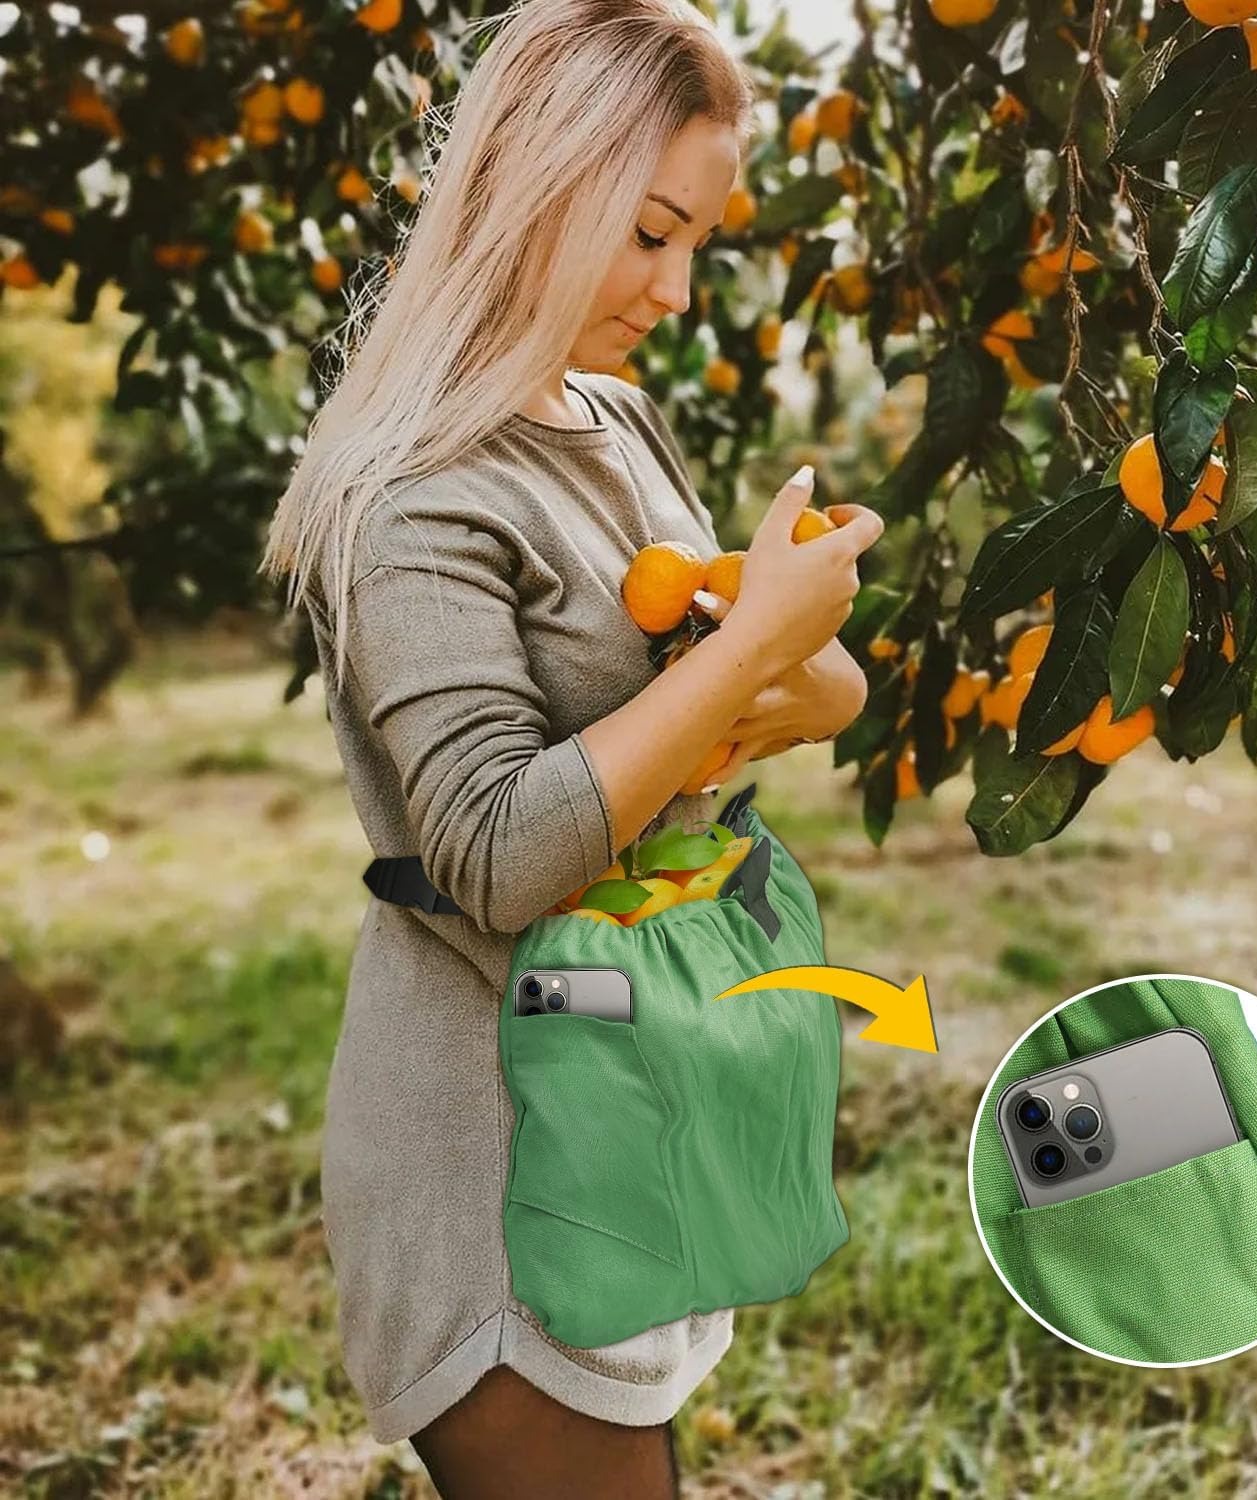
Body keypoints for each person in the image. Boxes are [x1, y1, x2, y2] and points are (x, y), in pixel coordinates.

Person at [258, 1, 883, 1495]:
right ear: (537, 186)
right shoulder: (413, 488)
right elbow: (494, 854)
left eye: (699, 243)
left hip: (631, 1104)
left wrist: (802, 662)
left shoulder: (614, 418)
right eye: (649, 232)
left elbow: (755, 691)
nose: (676, 289)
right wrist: (746, 651)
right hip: (499, 1162)